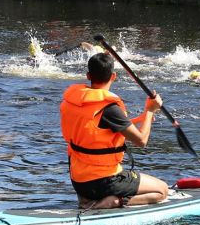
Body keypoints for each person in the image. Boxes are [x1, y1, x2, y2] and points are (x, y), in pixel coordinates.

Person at [60, 52, 171, 209]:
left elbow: (96, 129)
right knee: (162, 190)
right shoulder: (109, 109)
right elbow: (141, 141)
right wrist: (150, 111)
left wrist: (140, 119)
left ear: (88, 75)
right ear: (113, 76)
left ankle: (87, 199)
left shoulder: (73, 101)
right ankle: (113, 202)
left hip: (79, 182)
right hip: (103, 182)